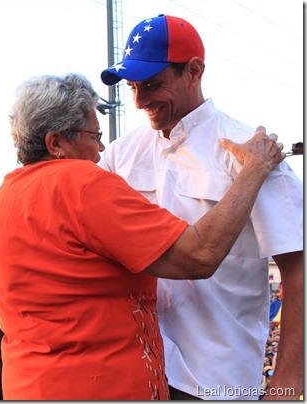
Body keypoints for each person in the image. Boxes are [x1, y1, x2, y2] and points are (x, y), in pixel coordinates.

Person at [0, 73, 283, 400]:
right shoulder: (82, 183)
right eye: (94, 136)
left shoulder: (2, 200)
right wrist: (253, 170)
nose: (102, 148)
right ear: (56, 143)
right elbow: (200, 255)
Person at [99, 14, 303, 400]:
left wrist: (290, 380)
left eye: (153, 84)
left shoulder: (249, 151)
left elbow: (299, 265)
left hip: (215, 378)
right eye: (132, 87)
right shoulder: (119, 155)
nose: (141, 100)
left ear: (194, 71)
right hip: (135, 368)